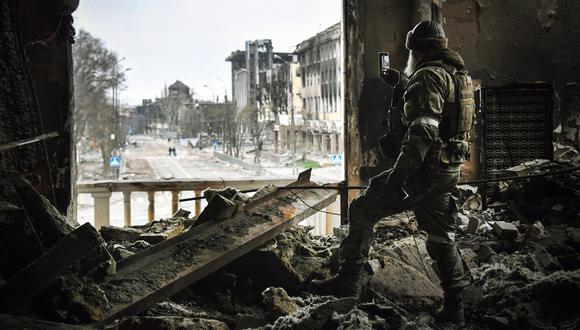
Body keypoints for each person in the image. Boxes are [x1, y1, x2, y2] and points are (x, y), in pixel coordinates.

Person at [312, 21, 475, 326]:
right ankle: (456, 307)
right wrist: (402, 84)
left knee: (361, 209)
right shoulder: (457, 75)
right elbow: (444, 116)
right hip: (447, 169)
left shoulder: (427, 76)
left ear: (417, 49)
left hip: (422, 172)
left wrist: (400, 174)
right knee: (440, 234)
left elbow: (424, 130)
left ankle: (349, 281)